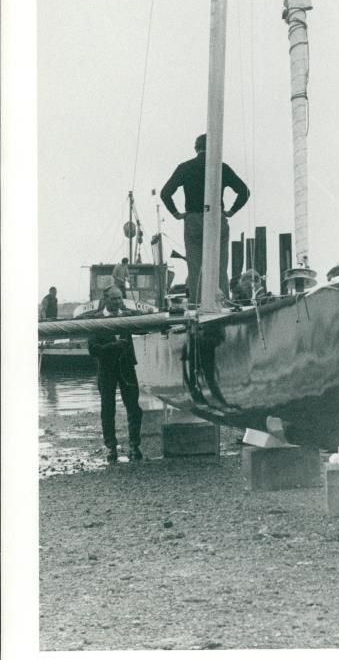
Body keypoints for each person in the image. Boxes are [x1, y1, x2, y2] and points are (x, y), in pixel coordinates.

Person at [160, 134, 250, 304]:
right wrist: (231, 211)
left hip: (193, 219)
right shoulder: (221, 167)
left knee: (195, 269)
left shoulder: (185, 167)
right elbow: (244, 191)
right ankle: (222, 304)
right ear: (214, 148)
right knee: (220, 268)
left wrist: (176, 214)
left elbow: (165, 193)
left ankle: (196, 305)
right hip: (216, 218)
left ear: (196, 148)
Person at [81, 286, 144, 462]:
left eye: (120, 298)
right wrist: (114, 347)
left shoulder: (128, 317)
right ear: (105, 300)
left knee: (134, 408)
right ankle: (111, 447)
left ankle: (134, 445)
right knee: (108, 410)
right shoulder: (95, 320)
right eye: (114, 299)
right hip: (107, 370)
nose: (118, 302)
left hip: (127, 368)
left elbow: (144, 328)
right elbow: (93, 349)